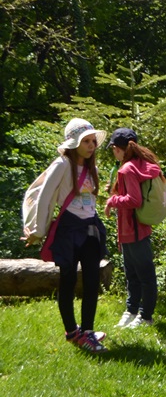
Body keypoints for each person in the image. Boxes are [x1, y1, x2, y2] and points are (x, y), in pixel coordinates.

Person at [22, 118, 109, 353]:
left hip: (90, 228)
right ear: (74, 143)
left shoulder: (92, 169)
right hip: (68, 229)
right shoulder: (61, 165)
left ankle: (88, 332)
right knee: (68, 280)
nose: (91, 146)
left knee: (92, 280)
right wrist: (38, 230)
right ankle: (72, 331)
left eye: (93, 141)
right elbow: (45, 198)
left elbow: (90, 201)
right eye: (86, 141)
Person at [104, 128, 164, 328]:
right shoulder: (139, 164)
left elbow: (134, 200)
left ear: (117, 148)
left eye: (113, 149)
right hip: (137, 228)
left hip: (132, 229)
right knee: (133, 274)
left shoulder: (127, 169)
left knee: (143, 275)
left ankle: (145, 316)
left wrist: (112, 200)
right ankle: (131, 311)